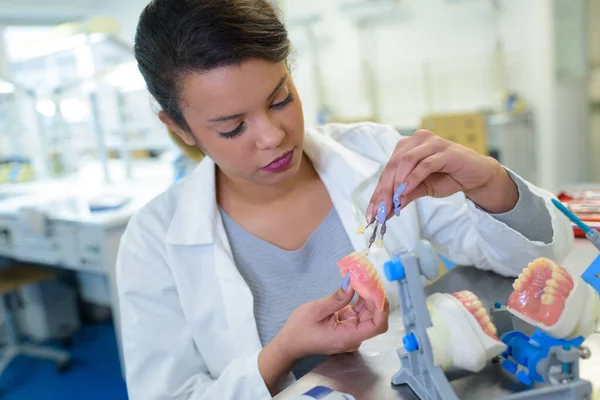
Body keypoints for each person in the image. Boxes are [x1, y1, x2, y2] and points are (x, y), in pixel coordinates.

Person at [114, 0, 574, 399]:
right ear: (179, 127)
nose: (273, 136)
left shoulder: (371, 153)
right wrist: (281, 354)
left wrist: (489, 182)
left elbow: (536, 259)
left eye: (280, 100)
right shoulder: (155, 240)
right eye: (233, 127)